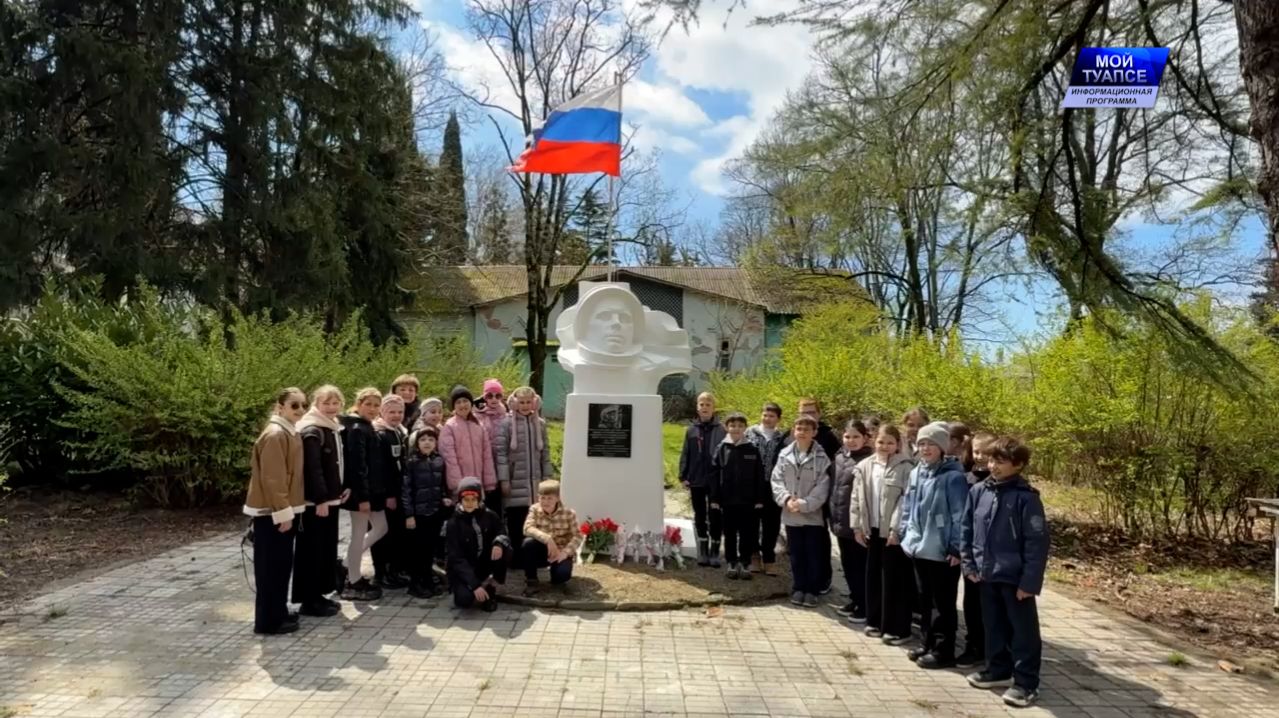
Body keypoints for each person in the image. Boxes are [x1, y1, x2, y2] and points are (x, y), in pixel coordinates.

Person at [963, 437, 1049, 709]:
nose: (993, 466)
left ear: (1019, 465)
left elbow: (1037, 543)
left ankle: (1025, 683)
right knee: (993, 626)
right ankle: (997, 669)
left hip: (1015, 578)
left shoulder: (1027, 499)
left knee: (1023, 633)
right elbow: (967, 529)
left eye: (1000, 462)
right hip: (986, 574)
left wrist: (1029, 581)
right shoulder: (979, 491)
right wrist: (970, 564)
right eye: (991, 460)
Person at [898, 421, 970, 668]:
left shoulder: (953, 477)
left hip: (942, 551)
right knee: (924, 599)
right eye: (921, 443)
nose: (926, 448)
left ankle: (943, 650)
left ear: (942, 447)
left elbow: (961, 516)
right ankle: (926, 643)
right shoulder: (918, 471)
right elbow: (908, 505)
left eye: (931, 444)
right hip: (918, 547)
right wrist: (904, 532)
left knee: (943, 603)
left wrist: (956, 547)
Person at [244, 388, 307, 635]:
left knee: (280, 567)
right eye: (294, 405)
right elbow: (273, 478)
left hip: (283, 510)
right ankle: (268, 621)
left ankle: (278, 612)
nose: (300, 410)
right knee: (271, 569)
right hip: (273, 513)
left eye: (303, 405)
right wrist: (283, 513)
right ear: (280, 406)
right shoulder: (275, 435)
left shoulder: (288, 432)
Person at [851, 424, 916, 640]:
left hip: (893, 533)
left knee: (895, 580)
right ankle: (875, 621)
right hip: (872, 530)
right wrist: (857, 526)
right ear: (873, 442)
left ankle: (897, 628)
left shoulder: (907, 467)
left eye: (890, 442)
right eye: (881, 442)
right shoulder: (864, 466)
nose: (885, 446)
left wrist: (896, 529)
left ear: (897, 445)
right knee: (873, 578)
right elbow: (856, 498)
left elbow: (906, 501)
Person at [292, 385, 347, 618]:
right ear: (316, 404)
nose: (331, 408)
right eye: (326, 403)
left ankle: (319, 595)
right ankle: (309, 599)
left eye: (335, 403)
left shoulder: (331, 428)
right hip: (316, 504)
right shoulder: (312, 430)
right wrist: (321, 498)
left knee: (326, 549)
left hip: (331, 500)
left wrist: (342, 489)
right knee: (312, 551)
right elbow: (313, 469)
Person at [771, 414, 832, 608]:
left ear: (814, 432)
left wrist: (804, 504)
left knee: (813, 553)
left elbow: (823, 486)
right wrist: (787, 500)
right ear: (793, 432)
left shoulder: (823, 458)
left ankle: (812, 590)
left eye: (807, 429)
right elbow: (776, 480)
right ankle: (799, 587)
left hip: (812, 516)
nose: (802, 432)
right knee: (796, 553)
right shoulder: (784, 455)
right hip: (790, 514)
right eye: (799, 429)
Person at [339, 388, 387, 602]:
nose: (373, 409)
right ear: (358, 404)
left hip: (371, 490)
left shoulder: (366, 427)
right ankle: (353, 580)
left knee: (381, 527)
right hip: (361, 493)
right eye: (368, 404)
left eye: (376, 405)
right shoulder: (357, 428)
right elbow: (357, 466)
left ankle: (348, 565)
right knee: (358, 534)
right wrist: (363, 497)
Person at [496, 386, 553, 561]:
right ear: (514, 403)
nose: (525, 405)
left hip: (535, 484)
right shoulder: (506, 424)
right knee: (516, 521)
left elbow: (545, 453)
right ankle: (516, 559)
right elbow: (501, 453)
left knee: (535, 522)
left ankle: (532, 558)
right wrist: (504, 479)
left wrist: (547, 479)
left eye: (529, 402)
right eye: (521, 402)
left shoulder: (540, 424)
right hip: (515, 482)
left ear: (534, 403)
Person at [710, 411, 767, 580]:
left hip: (748, 501)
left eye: (740, 426)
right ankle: (731, 563)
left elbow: (759, 476)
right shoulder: (721, 448)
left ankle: (745, 563)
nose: (736, 429)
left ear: (745, 428)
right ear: (726, 427)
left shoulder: (752, 449)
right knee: (729, 533)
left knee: (747, 533)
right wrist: (714, 498)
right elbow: (714, 475)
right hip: (727, 501)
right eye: (732, 425)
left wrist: (759, 499)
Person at [957, 431, 997, 668]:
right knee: (971, 603)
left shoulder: (998, 481)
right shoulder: (965, 479)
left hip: (993, 555)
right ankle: (973, 645)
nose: (980, 457)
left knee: (991, 605)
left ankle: (993, 648)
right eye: (976, 451)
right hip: (970, 552)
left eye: (986, 452)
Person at [445, 477, 512, 612]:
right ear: (460, 500)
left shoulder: (490, 515)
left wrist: (498, 543)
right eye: (466, 500)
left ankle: (492, 586)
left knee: (506, 549)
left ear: (479, 499)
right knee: (463, 601)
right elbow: (456, 559)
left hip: (484, 564)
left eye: (473, 500)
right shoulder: (453, 524)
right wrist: (474, 584)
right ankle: (476, 589)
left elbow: (502, 531)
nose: (469, 503)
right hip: (465, 569)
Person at [831, 420, 873, 620]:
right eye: (847, 436)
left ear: (866, 438)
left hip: (859, 525)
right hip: (841, 521)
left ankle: (865, 606)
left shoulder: (870, 461)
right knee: (848, 565)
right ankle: (855, 599)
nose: (851, 440)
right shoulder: (839, 457)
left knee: (861, 568)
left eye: (856, 436)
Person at [679, 392, 726, 567]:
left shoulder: (722, 430)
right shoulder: (691, 430)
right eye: (701, 404)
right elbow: (686, 454)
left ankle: (715, 550)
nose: (704, 407)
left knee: (715, 514)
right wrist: (683, 475)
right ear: (697, 408)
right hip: (696, 479)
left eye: (708, 404)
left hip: (716, 481)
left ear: (713, 408)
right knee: (699, 514)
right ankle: (703, 550)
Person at [403, 426, 449, 598]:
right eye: (423, 440)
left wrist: (444, 497)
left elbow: (441, 484)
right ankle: (416, 583)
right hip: (418, 514)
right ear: (417, 443)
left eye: (431, 439)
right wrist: (409, 515)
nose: (427, 443)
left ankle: (428, 580)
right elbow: (406, 490)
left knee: (429, 549)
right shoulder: (411, 462)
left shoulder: (439, 461)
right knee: (418, 551)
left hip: (434, 512)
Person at [439, 385, 499, 513]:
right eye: (458, 402)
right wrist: (458, 484)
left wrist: (489, 482)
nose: (462, 405)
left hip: (478, 483)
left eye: (465, 401)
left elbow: (486, 455)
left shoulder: (479, 425)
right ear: (453, 406)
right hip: (460, 485)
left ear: (471, 403)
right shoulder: (449, 427)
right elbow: (449, 458)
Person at [371, 394, 410, 590]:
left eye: (400, 412)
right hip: (387, 495)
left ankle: (394, 571)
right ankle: (381, 573)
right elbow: (380, 468)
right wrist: (388, 495)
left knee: (396, 533)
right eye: (391, 412)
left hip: (399, 491)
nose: (396, 415)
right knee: (383, 536)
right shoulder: (380, 434)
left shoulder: (399, 432)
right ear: (382, 412)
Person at [745, 402, 788, 575]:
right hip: (753, 485)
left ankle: (769, 558)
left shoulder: (783, 438)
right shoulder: (749, 433)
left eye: (771, 416)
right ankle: (754, 556)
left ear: (778, 418)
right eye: (765, 415)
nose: (767, 418)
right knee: (752, 522)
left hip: (774, 485)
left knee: (772, 523)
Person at [521, 480, 581, 588]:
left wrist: (565, 553)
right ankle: (531, 579)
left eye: (550, 498)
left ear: (557, 498)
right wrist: (547, 539)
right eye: (542, 498)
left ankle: (556, 575)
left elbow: (578, 535)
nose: (545, 502)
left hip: (561, 551)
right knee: (528, 543)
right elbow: (527, 528)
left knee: (562, 575)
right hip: (543, 549)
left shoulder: (569, 513)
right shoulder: (534, 509)